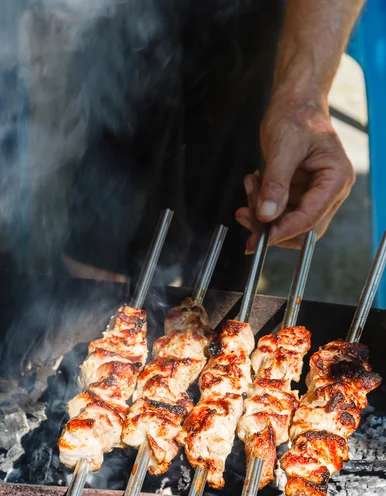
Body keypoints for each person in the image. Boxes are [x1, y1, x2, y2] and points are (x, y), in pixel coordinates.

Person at [61, 0, 365, 290]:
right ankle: (94, 322)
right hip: (120, 20)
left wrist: (304, 99)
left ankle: (212, 323)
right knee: (110, 220)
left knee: (229, 209)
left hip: (246, 24)